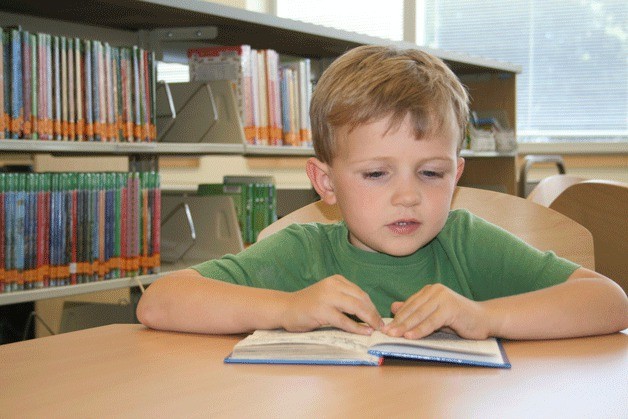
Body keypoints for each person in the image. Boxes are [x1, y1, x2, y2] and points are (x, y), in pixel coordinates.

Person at [137, 45, 628, 340]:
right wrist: (284, 308)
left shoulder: (465, 243)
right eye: (377, 174)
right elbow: (159, 302)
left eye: (431, 174)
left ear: (456, 175)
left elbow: (609, 302)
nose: (408, 196)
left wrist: (485, 316)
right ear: (325, 182)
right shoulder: (304, 250)